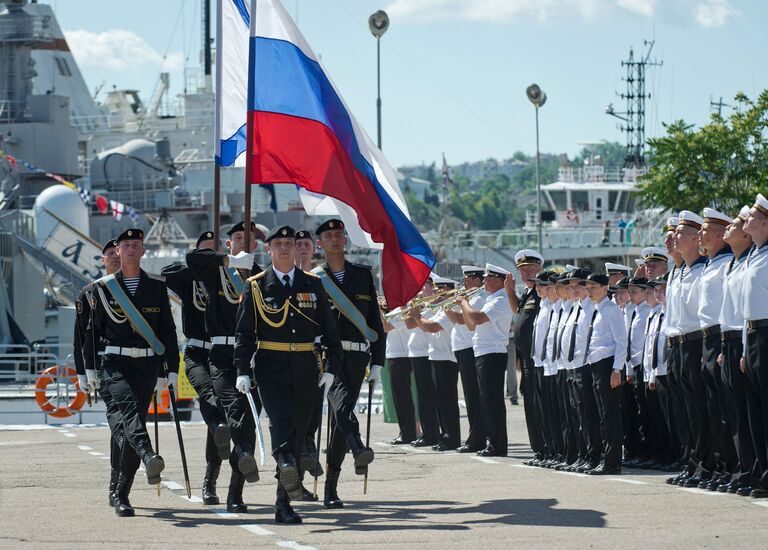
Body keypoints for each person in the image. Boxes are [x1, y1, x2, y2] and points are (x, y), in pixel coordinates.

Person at [233, 225, 343, 523]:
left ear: (298, 249)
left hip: (307, 365)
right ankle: (282, 459)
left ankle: (283, 505)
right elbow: (244, 334)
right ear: (267, 249)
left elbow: (331, 332)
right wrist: (242, 370)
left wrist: (331, 368)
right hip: (271, 365)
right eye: (278, 243)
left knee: (299, 429)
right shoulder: (256, 285)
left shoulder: (312, 284)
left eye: (289, 243)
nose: (284, 247)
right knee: (281, 421)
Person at [85, 228, 180, 516]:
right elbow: (92, 331)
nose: (128, 249)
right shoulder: (103, 288)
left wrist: (171, 370)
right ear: (118, 251)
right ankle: (149, 453)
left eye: (135, 245)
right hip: (115, 364)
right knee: (130, 414)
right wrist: (88, 369)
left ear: (142, 251)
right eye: (125, 245)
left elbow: (167, 331)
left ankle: (119, 492)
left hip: (146, 366)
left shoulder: (155, 287)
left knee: (128, 427)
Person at [186, 221, 264, 511]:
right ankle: (212, 477)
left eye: (249, 238)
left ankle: (236, 491)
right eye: (237, 238)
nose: (244, 242)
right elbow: (191, 259)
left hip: (254, 358)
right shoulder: (215, 270)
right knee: (230, 412)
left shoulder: (263, 276)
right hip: (219, 355)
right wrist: (228, 261)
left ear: (256, 246)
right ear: (228, 244)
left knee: (249, 421)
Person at [314, 219, 384, 509]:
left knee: (339, 420)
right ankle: (357, 446)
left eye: (338, 235)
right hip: (326, 356)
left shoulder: (362, 275)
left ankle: (332, 486)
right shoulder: (313, 278)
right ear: (319, 243)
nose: (335, 239)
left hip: (357, 355)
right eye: (328, 236)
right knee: (341, 406)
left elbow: (373, 320)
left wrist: (378, 361)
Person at [161, 231, 231, 506]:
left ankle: (211, 479)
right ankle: (209, 481)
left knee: (221, 412)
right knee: (207, 395)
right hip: (196, 349)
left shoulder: (230, 278)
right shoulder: (188, 276)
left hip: (224, 349)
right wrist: (199, 269)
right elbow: (167, 273)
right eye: (205, 253)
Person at [74, 237, 123, 508]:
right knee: (119, 426)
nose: (116, 257)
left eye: (119, 253)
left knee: (126, 427)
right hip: (104, 366)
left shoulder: (134, 289)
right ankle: (116, 483)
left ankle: (118, 484)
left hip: (133, 364)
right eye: (110, 254)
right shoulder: (89, 292)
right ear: (102, 259)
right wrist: (83, 373)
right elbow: (79, 337)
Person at [672, 210, 714, 488]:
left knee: (701, 409)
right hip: (676, 345)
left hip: (696, 343)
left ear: (695, 237)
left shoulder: (702, 270)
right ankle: (690, 463)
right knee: (684, 410)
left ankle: (706, 465)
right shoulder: (680, 272)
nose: (674, 237)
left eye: (680, 233)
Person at [718, 206, 757, 495]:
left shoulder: (753, 260)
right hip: (732, 339)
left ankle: (754, 470)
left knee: (750, 411)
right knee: (735, 413)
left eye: (735, 224)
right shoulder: (735, 262)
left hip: (747, 338)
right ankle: (745, 470)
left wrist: (743, 346)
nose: (729, 228)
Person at [697, 208, 737, 490]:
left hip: (722, 338)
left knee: (727, 409)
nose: (701, 233)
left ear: (721, 234)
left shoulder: (725, 264)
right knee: (712, 410)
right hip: (706, 339)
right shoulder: (710, 264)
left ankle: (733, 468)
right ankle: (720, 468)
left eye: (705, 229)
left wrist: (723, 344)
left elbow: (729, 309)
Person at [457, 263, 514, 457]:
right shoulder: (491, 298)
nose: (484, 281)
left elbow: (478, 318)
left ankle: (498, 444)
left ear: (498, 281)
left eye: (488, 278)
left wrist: (463, 302)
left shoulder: (501, 299)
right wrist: (464, 304)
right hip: (483, 352)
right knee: (486, 401)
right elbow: (472, 325)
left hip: (493, 353)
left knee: (493, 401)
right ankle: (492, 442)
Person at [580, 272, 627, 475]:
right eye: (588, 288)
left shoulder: (611, 310)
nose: (589, 291)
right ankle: (603, 458)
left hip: (608, 365)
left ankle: (612, 461)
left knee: (610, 415)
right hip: (595, 364)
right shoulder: (596, 310)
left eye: (594, 287)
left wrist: (617, 369)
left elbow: (621, 342)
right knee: (601, 414)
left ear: (605, 288)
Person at [410, 275, 461, 451]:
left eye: (442, 289)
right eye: (437, 289)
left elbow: (432, 327)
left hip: (446, 357)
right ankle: (444, 436)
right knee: (440, 401)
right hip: (436, 356)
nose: (439, 292)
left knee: (447, 401)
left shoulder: (450, 306)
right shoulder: (440, 308)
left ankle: (451, 438)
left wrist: (417, 316)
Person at [508, 250, 546, 465]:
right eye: (523, 270)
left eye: (531, 269)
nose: (527, 273)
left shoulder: (541, 294)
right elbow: (517, 311)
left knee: (540, 407)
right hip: (526, 361)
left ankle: (545, 448)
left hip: (538, 359)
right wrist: (510, 292)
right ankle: (538, 450)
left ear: (539, 268)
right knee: (530, 406)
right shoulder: (527, 294)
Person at [741, 194, 768, 499]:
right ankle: (763, 471)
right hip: (753, 337)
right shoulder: (754, 255)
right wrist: (744, 349)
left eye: (753, 216)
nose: (747, 219)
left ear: (765, 223)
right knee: (756, 412)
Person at [293, 229, 323, 498]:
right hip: (286, 360)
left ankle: (300, 475)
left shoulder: (318, 281)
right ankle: (293, 481)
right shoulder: (284, 280)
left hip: (315, 359)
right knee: (291, 422)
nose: (302, 248)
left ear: (314, 249)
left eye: (306, 244)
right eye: (297, 244)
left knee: (311, 417)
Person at [445, 265, 487, 453]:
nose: (464, 282)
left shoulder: (478, 298)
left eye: (468, 278)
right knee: (470, 396)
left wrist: (452, 306)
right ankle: (475, 436)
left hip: (470, 349)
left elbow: (463, 320)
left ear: (478, 280)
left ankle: (476, 438)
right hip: (462, 348)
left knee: (473, 397)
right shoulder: (468, 299)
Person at [404, 277, 442, 449]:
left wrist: (415, 310)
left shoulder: (434, 306)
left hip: (426, 353)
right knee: (422, 396)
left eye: (424, 285)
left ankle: (431, 433)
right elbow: (409, 323)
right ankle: (428, 432)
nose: (420, 290)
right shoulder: (423, 305)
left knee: (428, 397)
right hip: (418, 354)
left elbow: (414, 324)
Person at [382, 303, 418, 445]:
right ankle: (405, 431)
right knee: (399, 397)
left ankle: (408, 433)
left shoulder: (405, 310)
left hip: (401, 356)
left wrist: (377, 309)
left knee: (403, 397)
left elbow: (386, 327)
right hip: (394, 355)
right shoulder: (397, 310)